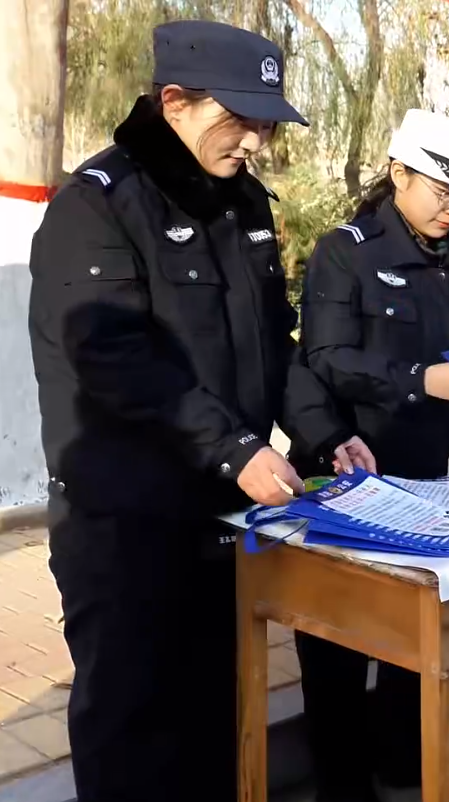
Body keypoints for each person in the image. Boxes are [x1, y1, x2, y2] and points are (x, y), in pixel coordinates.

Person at [28, 20, 371, 801]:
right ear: (175, 101)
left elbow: (274, 343)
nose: (255, 141)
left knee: (216, 718)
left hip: (219, 515)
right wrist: (237, 449)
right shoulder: (97, 207)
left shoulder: (242, 205)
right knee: (135, 728)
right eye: (239, 119)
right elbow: (117, 361)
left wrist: (326, 432)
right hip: (127, 525)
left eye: (265, 125)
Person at [290, 109, 449, 800]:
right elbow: (326, 357)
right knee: (338, 638)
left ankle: (401, 754)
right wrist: (420, 380)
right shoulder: (346, 252)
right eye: (444, 192)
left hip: (425, 474)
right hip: (349, 468)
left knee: (411, 628)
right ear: (398, 174)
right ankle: (341, 782)